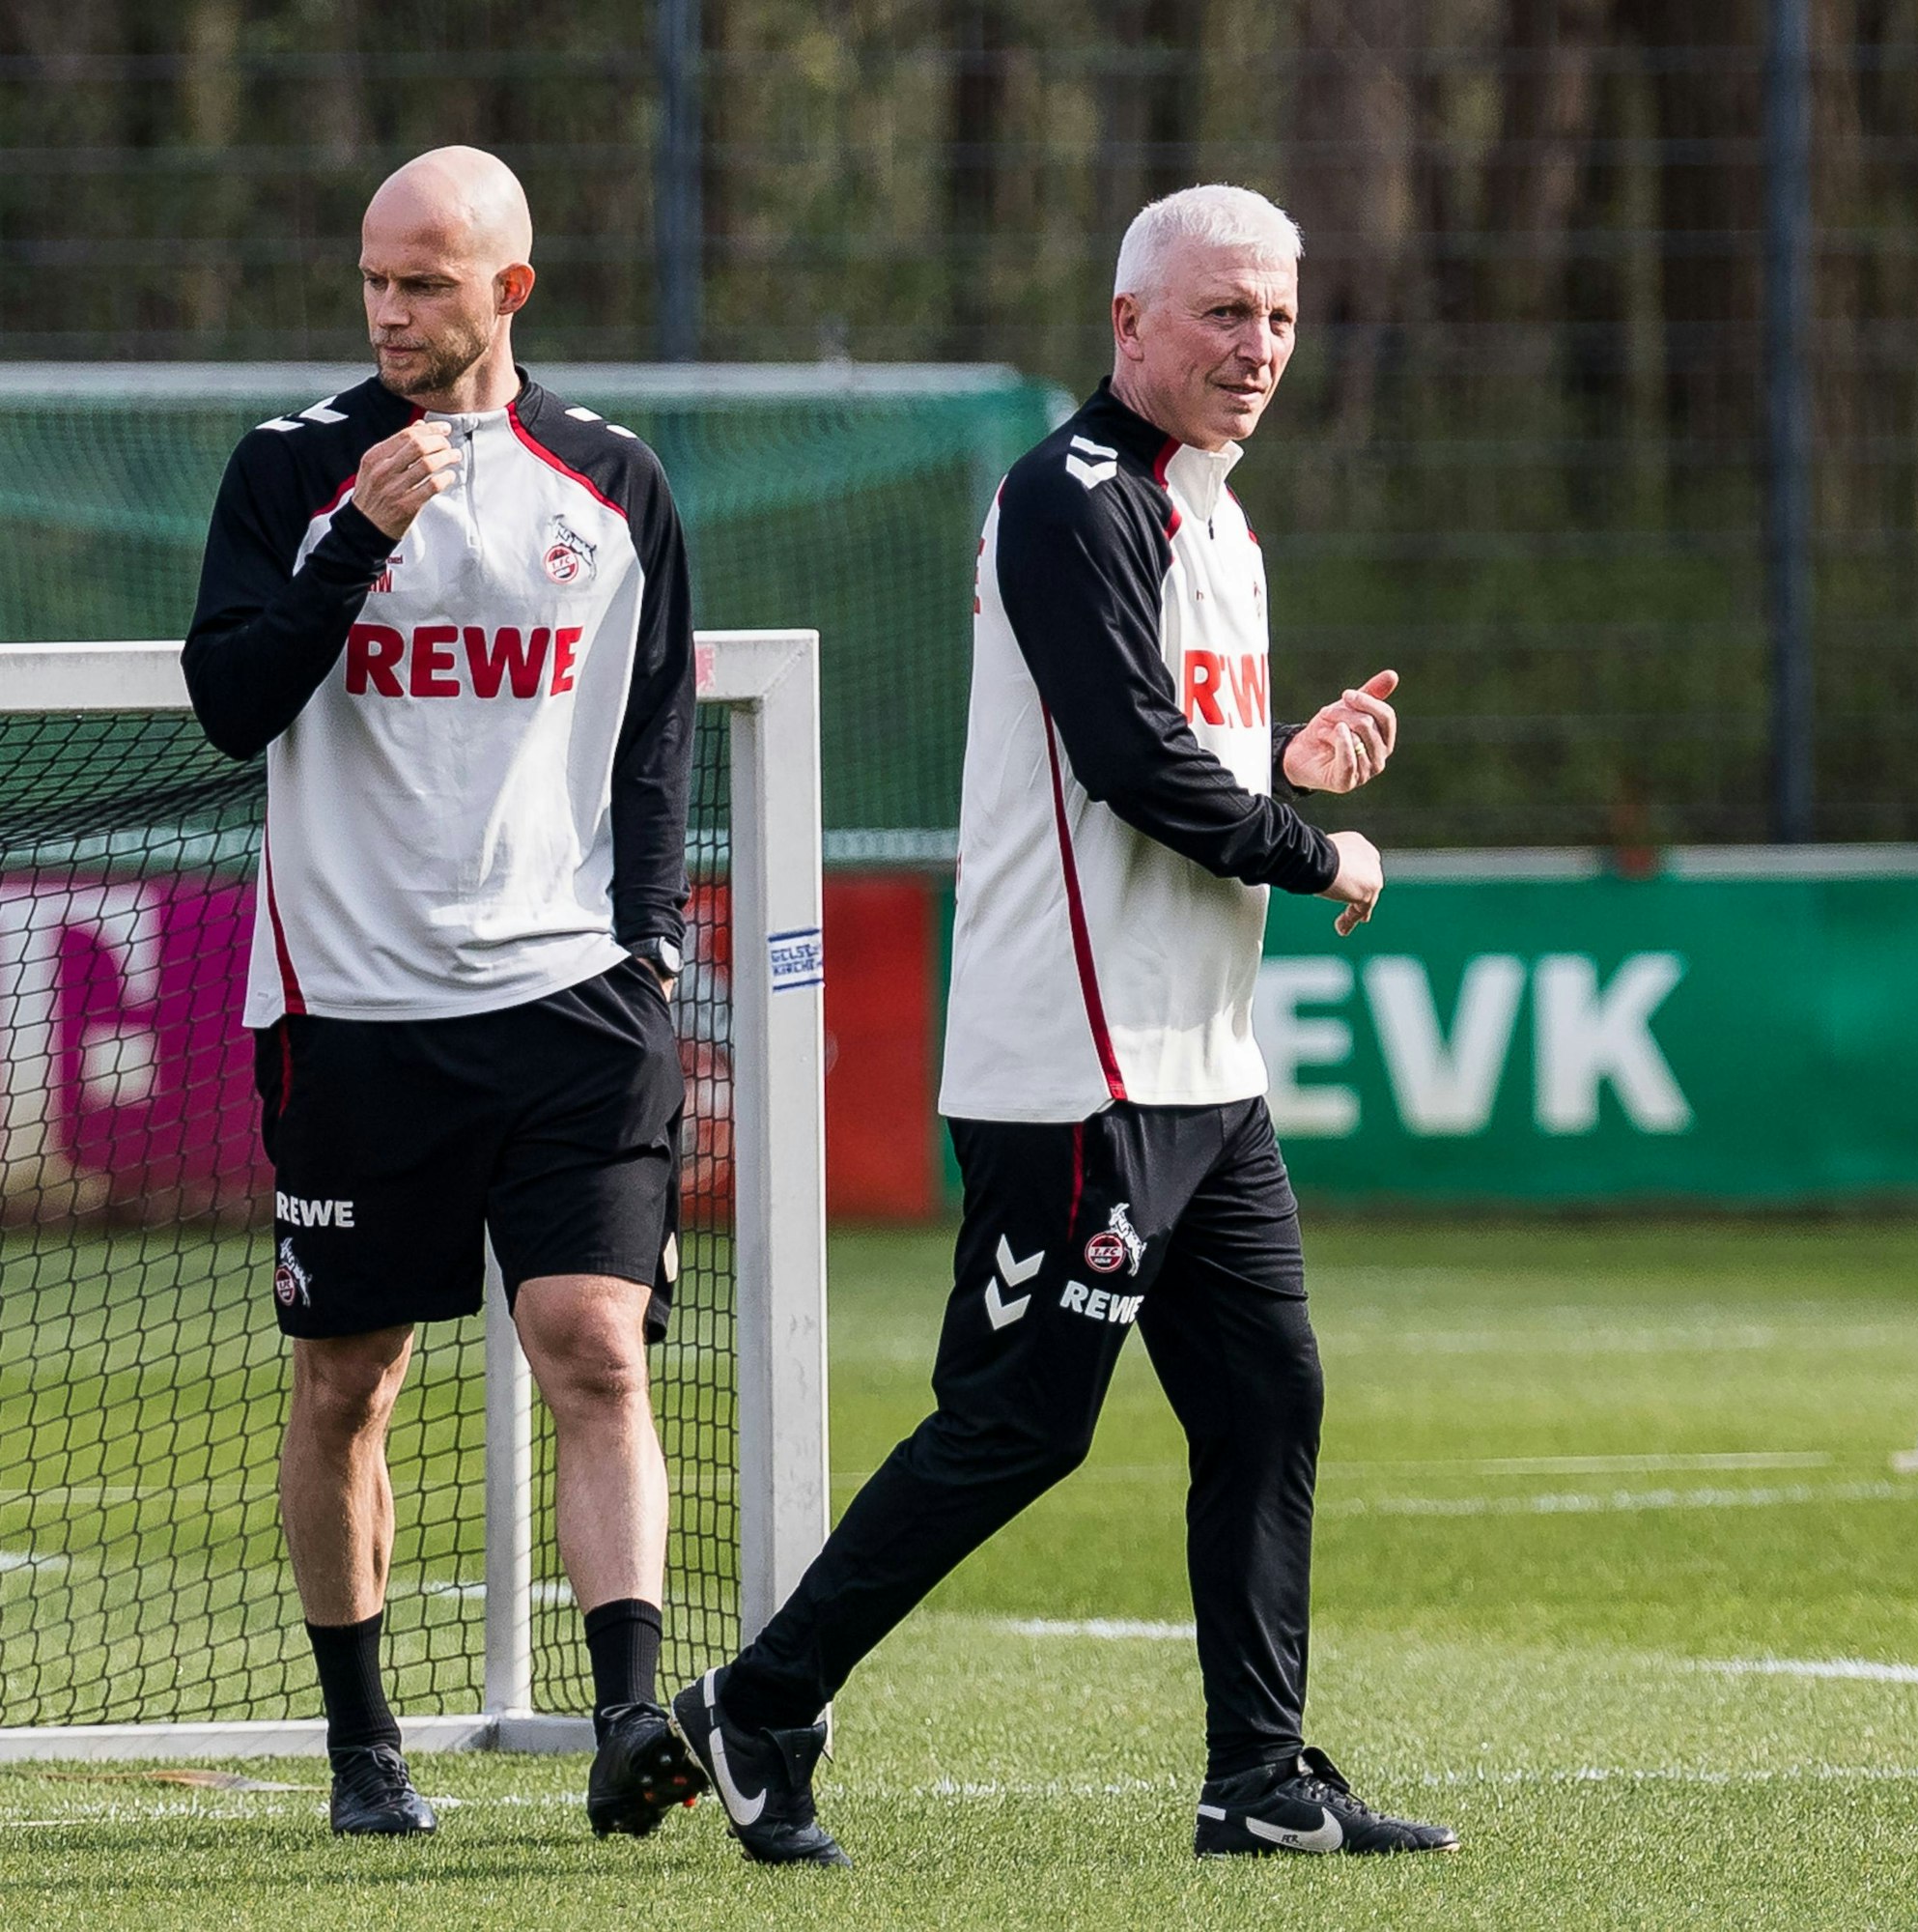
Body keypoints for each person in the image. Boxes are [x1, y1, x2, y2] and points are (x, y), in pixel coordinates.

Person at [666, 184, 1457, 1865]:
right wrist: (1322, 851)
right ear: (1130, 326)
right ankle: (763, 1702)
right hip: (1077, 1066)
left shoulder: (1222, 523)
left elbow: (1191, 761)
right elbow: (1126, 760)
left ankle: (1256, 1778)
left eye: (1282, 318)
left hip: (1205, 1064)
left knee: (1267, 1402)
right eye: (1226, 314)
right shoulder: (1069, 498)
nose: (1260, 349)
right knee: (1023, 1421)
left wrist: (1286, 768)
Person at [183, 146, 706, 1839]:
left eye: (426, 283)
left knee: (595, 1353)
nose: (393, 314)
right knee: (351, 1382)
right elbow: (233, 701)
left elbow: (654, 734)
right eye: (374, 283)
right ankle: (362, 1741)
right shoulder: (290, 471)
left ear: (512, 290)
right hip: (353, 1008)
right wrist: (355, 543)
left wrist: (653, 942)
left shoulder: (615, 483)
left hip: (573, 1006)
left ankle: (629, 1719)